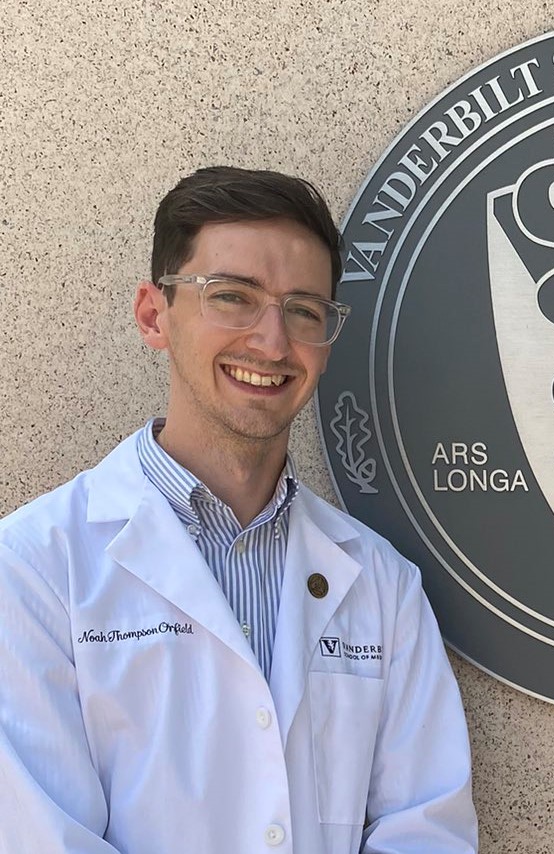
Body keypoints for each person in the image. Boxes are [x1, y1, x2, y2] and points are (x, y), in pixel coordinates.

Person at [0, 167, 478, 853]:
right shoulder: (32, 570)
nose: (273, 342)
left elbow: (426, 830)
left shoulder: (381, 584)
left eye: (304, 310)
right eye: (232, 297)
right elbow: (41, 838)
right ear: (152, 315)